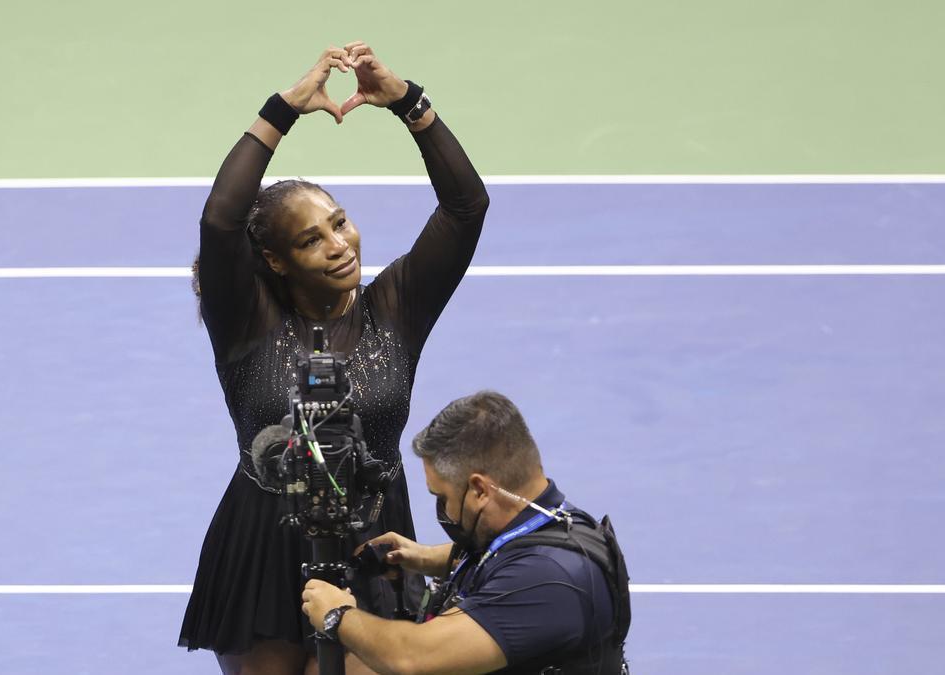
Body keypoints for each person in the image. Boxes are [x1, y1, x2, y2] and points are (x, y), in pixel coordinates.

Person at [179, 42, 490, 675]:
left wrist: (409, 103)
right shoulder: (245, 321)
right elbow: (219, 222)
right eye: (311, 239)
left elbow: (466, 208)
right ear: (275, 260)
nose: (338, 245)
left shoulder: (396, 308)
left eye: (340, 223)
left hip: (375, 542)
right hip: (262, 541)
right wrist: (282, 110)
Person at [301, 391, 631, 675]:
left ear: (479, 490)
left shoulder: (548, 581)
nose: (443, 510)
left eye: (442, 497)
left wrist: (338, 614)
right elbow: (510, 554)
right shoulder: (550, 519)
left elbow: (411, 657)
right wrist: (424, 558)